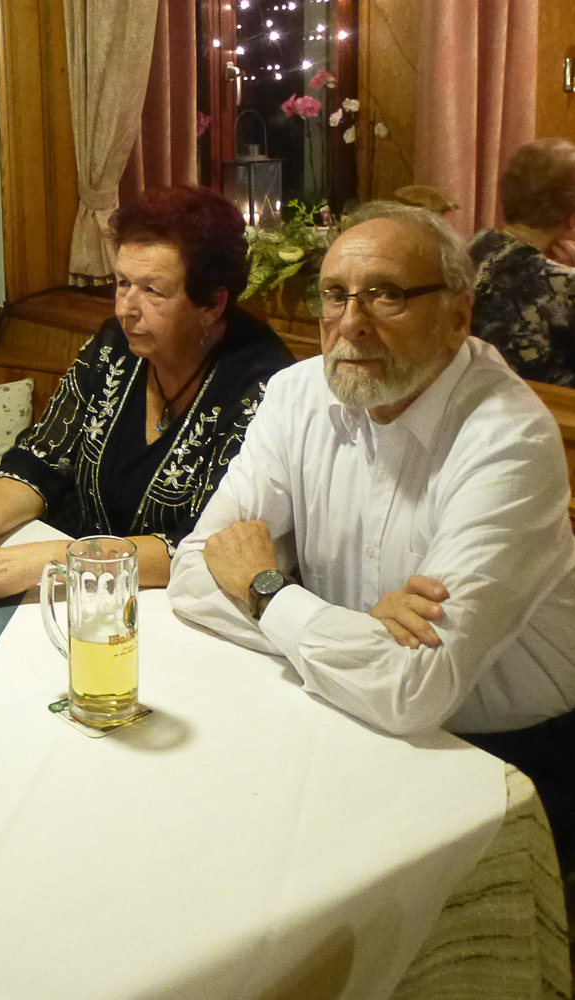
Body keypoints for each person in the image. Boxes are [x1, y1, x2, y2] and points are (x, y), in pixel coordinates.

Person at [167, 203, 575, 868]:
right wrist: (357, 634)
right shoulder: (295, 394)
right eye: (334, 294)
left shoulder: (508, 438)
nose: (350, 323)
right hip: (342, 704)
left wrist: (267, 592)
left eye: (387, 295)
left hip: (508, 754)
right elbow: (192, 576)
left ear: (457, 317)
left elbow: (412, 687)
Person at [0, 185, 293, 600]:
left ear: (212, 304)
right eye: (122, 283)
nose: (124, 309)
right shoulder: (116, 346)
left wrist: (48, 561)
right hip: (86, 593)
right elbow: (40, 459)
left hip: (179, 606)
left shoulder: (264, 387)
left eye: (152, 291)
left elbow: (208, 545)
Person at [467, 138, 575, 386]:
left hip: (471, 395)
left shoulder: (477, 245)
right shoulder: (563, 284)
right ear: (570, 218)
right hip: (549, 404)